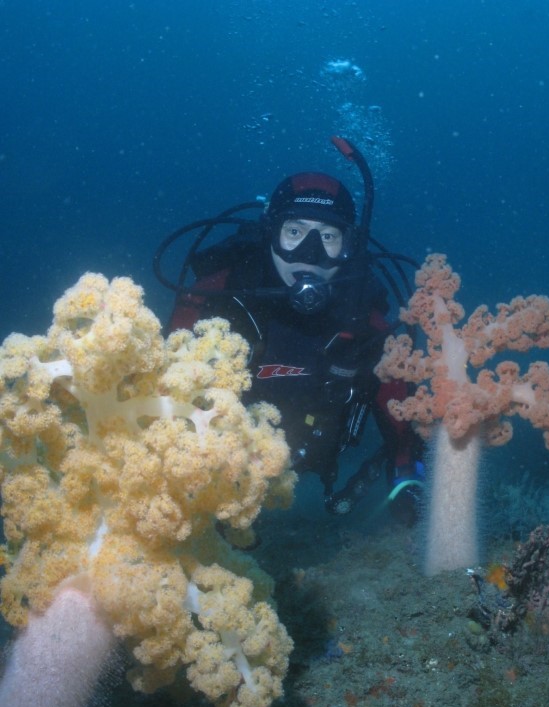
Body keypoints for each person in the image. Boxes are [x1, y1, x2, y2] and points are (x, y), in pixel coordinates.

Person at [155, 139, 424, 520]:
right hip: (218, 480)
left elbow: (403, 428)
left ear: (349, 246)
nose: (310, 254)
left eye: (328, 237)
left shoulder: (367, 323)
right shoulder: (212, 298)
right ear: (270, 234)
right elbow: (159, 397)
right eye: (294, 232)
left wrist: (408, 482)